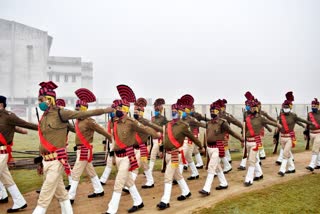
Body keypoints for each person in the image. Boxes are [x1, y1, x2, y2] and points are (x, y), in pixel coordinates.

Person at [33, 82, 113, 214]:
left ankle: (74, 194)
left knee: (45, 197)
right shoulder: (43, 118)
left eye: (41, 100)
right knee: (62, 195)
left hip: (60, 159)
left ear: (49, 99)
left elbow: (91, 115)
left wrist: (105, 111)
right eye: (39, 100)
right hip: (47, 160)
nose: (40, 103)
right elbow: (43, 140)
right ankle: (97, 189)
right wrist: (40, 161)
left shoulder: (63, 113)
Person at [104, 98, 160, 214]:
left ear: (125, 110)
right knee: (129, 181)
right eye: (117, 108)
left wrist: (157, 134)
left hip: (127, 156)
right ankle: (138, 202)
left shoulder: (131, 122)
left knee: (119, 183)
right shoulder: (115, 122)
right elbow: (115, 140)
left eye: (119, 108)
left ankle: (111, 210)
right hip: (118, 156)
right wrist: (113, 155)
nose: (117, 110)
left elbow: (145, 128)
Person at [156, 102, 204, 210]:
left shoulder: (183, 126)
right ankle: (186, 192)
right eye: (172, 111)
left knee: (168, 176)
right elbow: (165, 138)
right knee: (178, 175)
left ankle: (165, 200)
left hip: (175, 154)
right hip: (167, 154)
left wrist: (201, 146)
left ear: (180, 113)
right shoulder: (168, 125)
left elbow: (193, 137)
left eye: (176, 112)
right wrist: (161, 149)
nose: (173, 113)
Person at [68, 88, 112, 204]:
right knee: (91, 171)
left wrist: (111, 138)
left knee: (75, 173)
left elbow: (101, 130)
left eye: (78, 108)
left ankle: (70, 197)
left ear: (83, 109)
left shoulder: (89, 121)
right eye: (76, 108)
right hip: (80, 149)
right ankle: (99, 190)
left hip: (84, 150)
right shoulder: (78, 122)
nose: (76, 110)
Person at [0, 95, 38, 213]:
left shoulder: (9, 116)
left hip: (2, 152)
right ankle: (19, 201)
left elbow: (25, 124)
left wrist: (42, 128)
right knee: (7, 179)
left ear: (1, 105)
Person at [199, 101, 243, 196]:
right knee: (218, 167)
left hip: (217, 148)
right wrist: (203, 147)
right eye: (211, 110)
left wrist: (241, 139)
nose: (212, 112)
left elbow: (232, 132)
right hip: (210, 148)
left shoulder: (222, 123)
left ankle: (206, 188)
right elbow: (206, 135)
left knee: (211, 167)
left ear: (218, 111)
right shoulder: (209, 123)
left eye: (214, 110)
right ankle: (224, 183)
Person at [243, 99, 280, 186]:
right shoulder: (247, 118)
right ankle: (259, 174)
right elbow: (245, 130)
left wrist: (278, 124)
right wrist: (243, 140)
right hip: (248, 142)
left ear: (257, 108)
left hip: (255, 142)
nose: (252, 109)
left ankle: (249, 179)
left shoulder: (260, 118)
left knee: (251, 161)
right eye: (251, 108)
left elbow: (269, 122)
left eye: (254, 108)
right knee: (254, 159)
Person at [276, 92, 312, 176]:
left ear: (290, 107)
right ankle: (292, 168)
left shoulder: (293, 115)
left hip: (289, 138)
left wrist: (309, 123)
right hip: (282, 137)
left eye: (287, 107)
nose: (285, 108)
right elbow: (277, 125)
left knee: (285, 153)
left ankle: (282, 170)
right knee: (288, 153)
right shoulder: (280, 116)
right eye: (284, 107)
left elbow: (300, 120)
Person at [305, 98, 320, 172]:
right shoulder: (309, 114)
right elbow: (307, 124)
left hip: (319, 133)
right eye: (312, 106)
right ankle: (319, 163)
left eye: (314, 106)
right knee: (318, 149)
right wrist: (305, 133)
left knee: (315, 149)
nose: (313, 107)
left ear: (318, 106)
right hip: (311, 133)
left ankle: (312, 165)